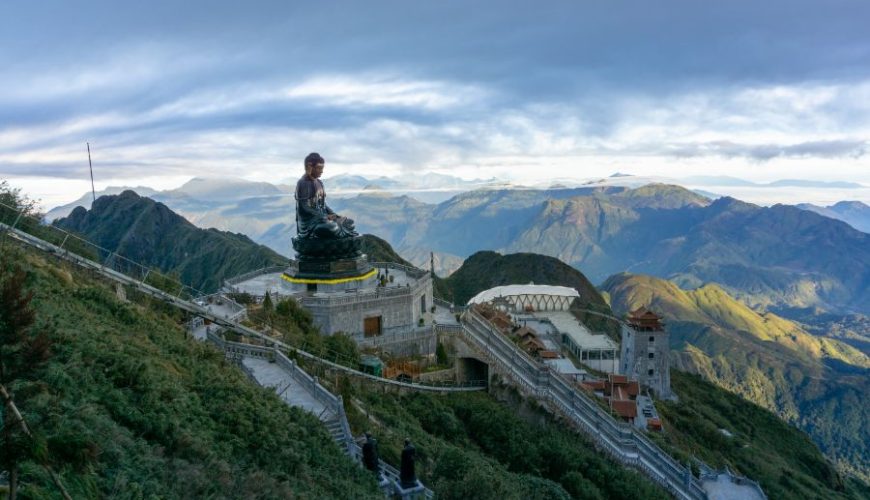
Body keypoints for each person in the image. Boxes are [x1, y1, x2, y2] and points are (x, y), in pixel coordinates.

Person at [295, 152, 357, 239]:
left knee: (348, 222)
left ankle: (337, 230)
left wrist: (334, 214)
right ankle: (336, 232)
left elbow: (324, 205)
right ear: (310, 167)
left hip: (323, 219)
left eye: (322, 168)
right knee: (331, 228)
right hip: (311, 222)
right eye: (319, 168)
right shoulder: (303, 183)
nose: (322, 171)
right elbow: (305, 207)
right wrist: (324, 216)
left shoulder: (319, 182)